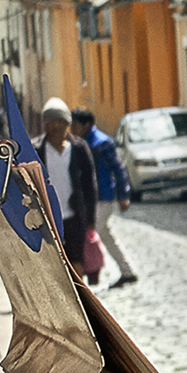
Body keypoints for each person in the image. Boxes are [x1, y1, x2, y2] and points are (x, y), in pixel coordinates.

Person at [71, 107, 139, 288]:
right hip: (90, 198)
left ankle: (85, 272)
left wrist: (123, 195)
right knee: (105, 234)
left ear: (85, 125)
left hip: (103, 197)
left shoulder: (102, 142)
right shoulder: (79, 142)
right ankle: (127, 271)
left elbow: (118, 168)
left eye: (75, 125)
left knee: (89, 233)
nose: (72, 128)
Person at [34, 98, 98, 278]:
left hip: (73, 216)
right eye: (49, 121)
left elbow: (89, 186)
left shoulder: (78, 149)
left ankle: (80, 300)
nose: (54, 126)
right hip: (47, 218)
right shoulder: (36, 149)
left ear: (67, 123)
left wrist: (91, 218)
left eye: (59, 121)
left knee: (76, 261)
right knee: (53, 264)